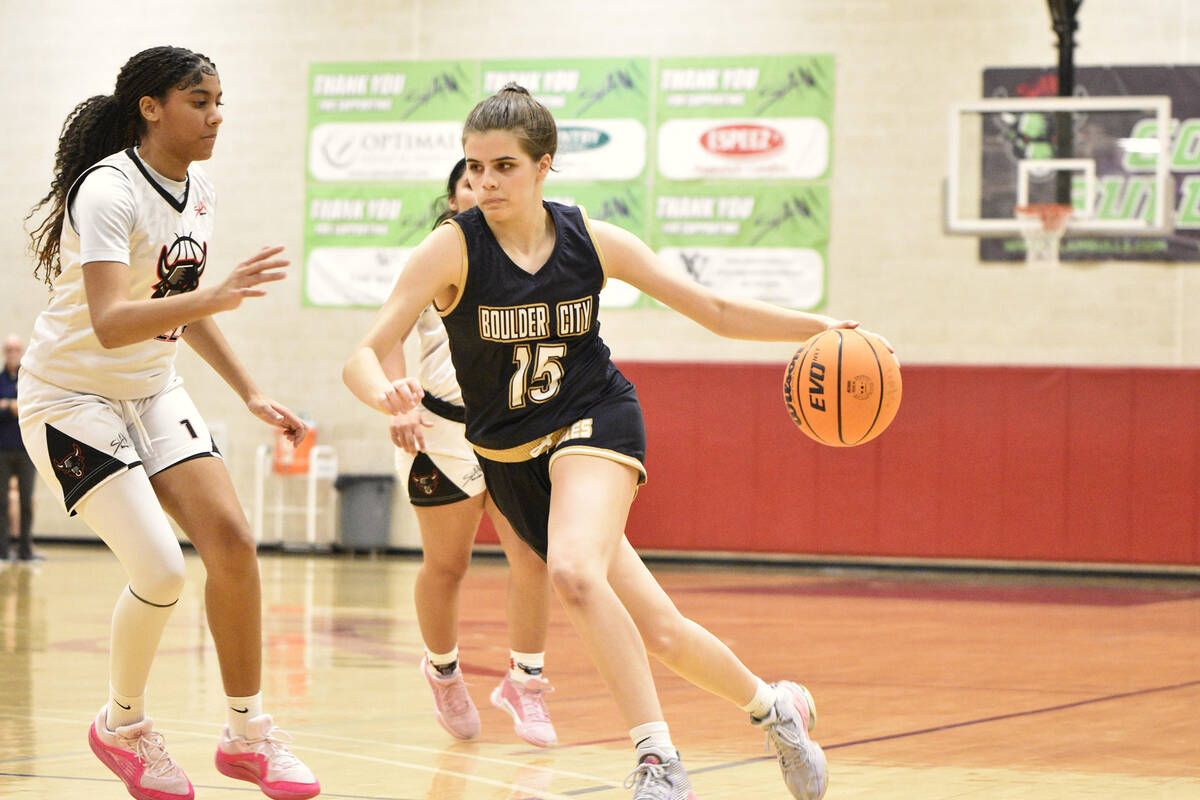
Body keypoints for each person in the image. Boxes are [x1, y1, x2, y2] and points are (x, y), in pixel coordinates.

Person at [343, 83, 882, 800]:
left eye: (503, 166)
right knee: (660, 630)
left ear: (544, 165)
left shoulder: (589, 240)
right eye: (474, 167)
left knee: (570, 571)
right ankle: (776, 707)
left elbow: (714, 310)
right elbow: (363, 350)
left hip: (596, 420)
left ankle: (657, 760)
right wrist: (382, 391)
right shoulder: (450, 249)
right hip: (509, 459)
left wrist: (819, 328)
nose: (483, 182)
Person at [22, 46, 320, 800]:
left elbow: (180, 303)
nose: (216, 115)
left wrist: (250, 391)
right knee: (159, 569)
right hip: (70, 398)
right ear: (150, 107)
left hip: (154, 389)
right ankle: (121, 726)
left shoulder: (200, 191)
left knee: (233, 542)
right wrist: (214, 298)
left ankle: (247, 734)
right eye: (199, 100)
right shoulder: (108, 190)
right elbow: (115, 320)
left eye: (220, 99)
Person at [384, 159, 556, 747]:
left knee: (534, 559)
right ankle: (443, 671)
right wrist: (397, 402)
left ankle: (526, 683)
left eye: (496, 174)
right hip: (442, 431)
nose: (484, 186)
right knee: (447, 565)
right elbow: (384, 341)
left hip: (514, 430)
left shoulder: (532, 255)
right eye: (470, 179)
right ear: (455, 196)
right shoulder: (437, 256)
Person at [0, 334, 38, 562]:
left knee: (26, 502)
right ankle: (2, 551)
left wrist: (8, 404)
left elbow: (30, 407)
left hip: (26, 450)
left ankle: (25, 551)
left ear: (22, 351)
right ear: (5, 352)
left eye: (16, 348)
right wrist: (12, 407)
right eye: (9, 349)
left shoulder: (28, 379)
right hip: (2, 451)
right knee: (1, 502)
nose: (13, 352)